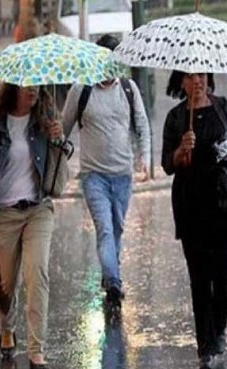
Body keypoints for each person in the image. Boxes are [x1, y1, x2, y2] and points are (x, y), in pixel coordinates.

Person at [0, 83, 64, 369]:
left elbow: (57, 164)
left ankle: (37, 354)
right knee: (8, 283)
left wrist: (57, 139)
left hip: (38, 209)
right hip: (5, 215)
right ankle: (7, 327)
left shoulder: (45, 117)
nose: (33, 90)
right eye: (27, 86)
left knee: (38, 274)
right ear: (14, 88)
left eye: (37, 85)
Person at [55, 34, 151, 309]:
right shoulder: (81, 90)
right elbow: (65, 127)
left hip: (123, 174)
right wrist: (56, 142)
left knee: (118, 229)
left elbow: (142, 125)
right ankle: (113, 282)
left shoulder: (128, 89)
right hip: (93, 175)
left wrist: (145, 158)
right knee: (106, 231)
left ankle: (110, 274)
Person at [161, 71, 227, 369]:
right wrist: (181, 151)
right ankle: (205, 346)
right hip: (190, 206)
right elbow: (168, 165)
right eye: (190, 77)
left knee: (224, 276)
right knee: (199, 278)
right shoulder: (175, 118)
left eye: (201, 75)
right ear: (181, 82)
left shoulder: (224, 108)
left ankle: (219, 328)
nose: (197, 81)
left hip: (224, 205)